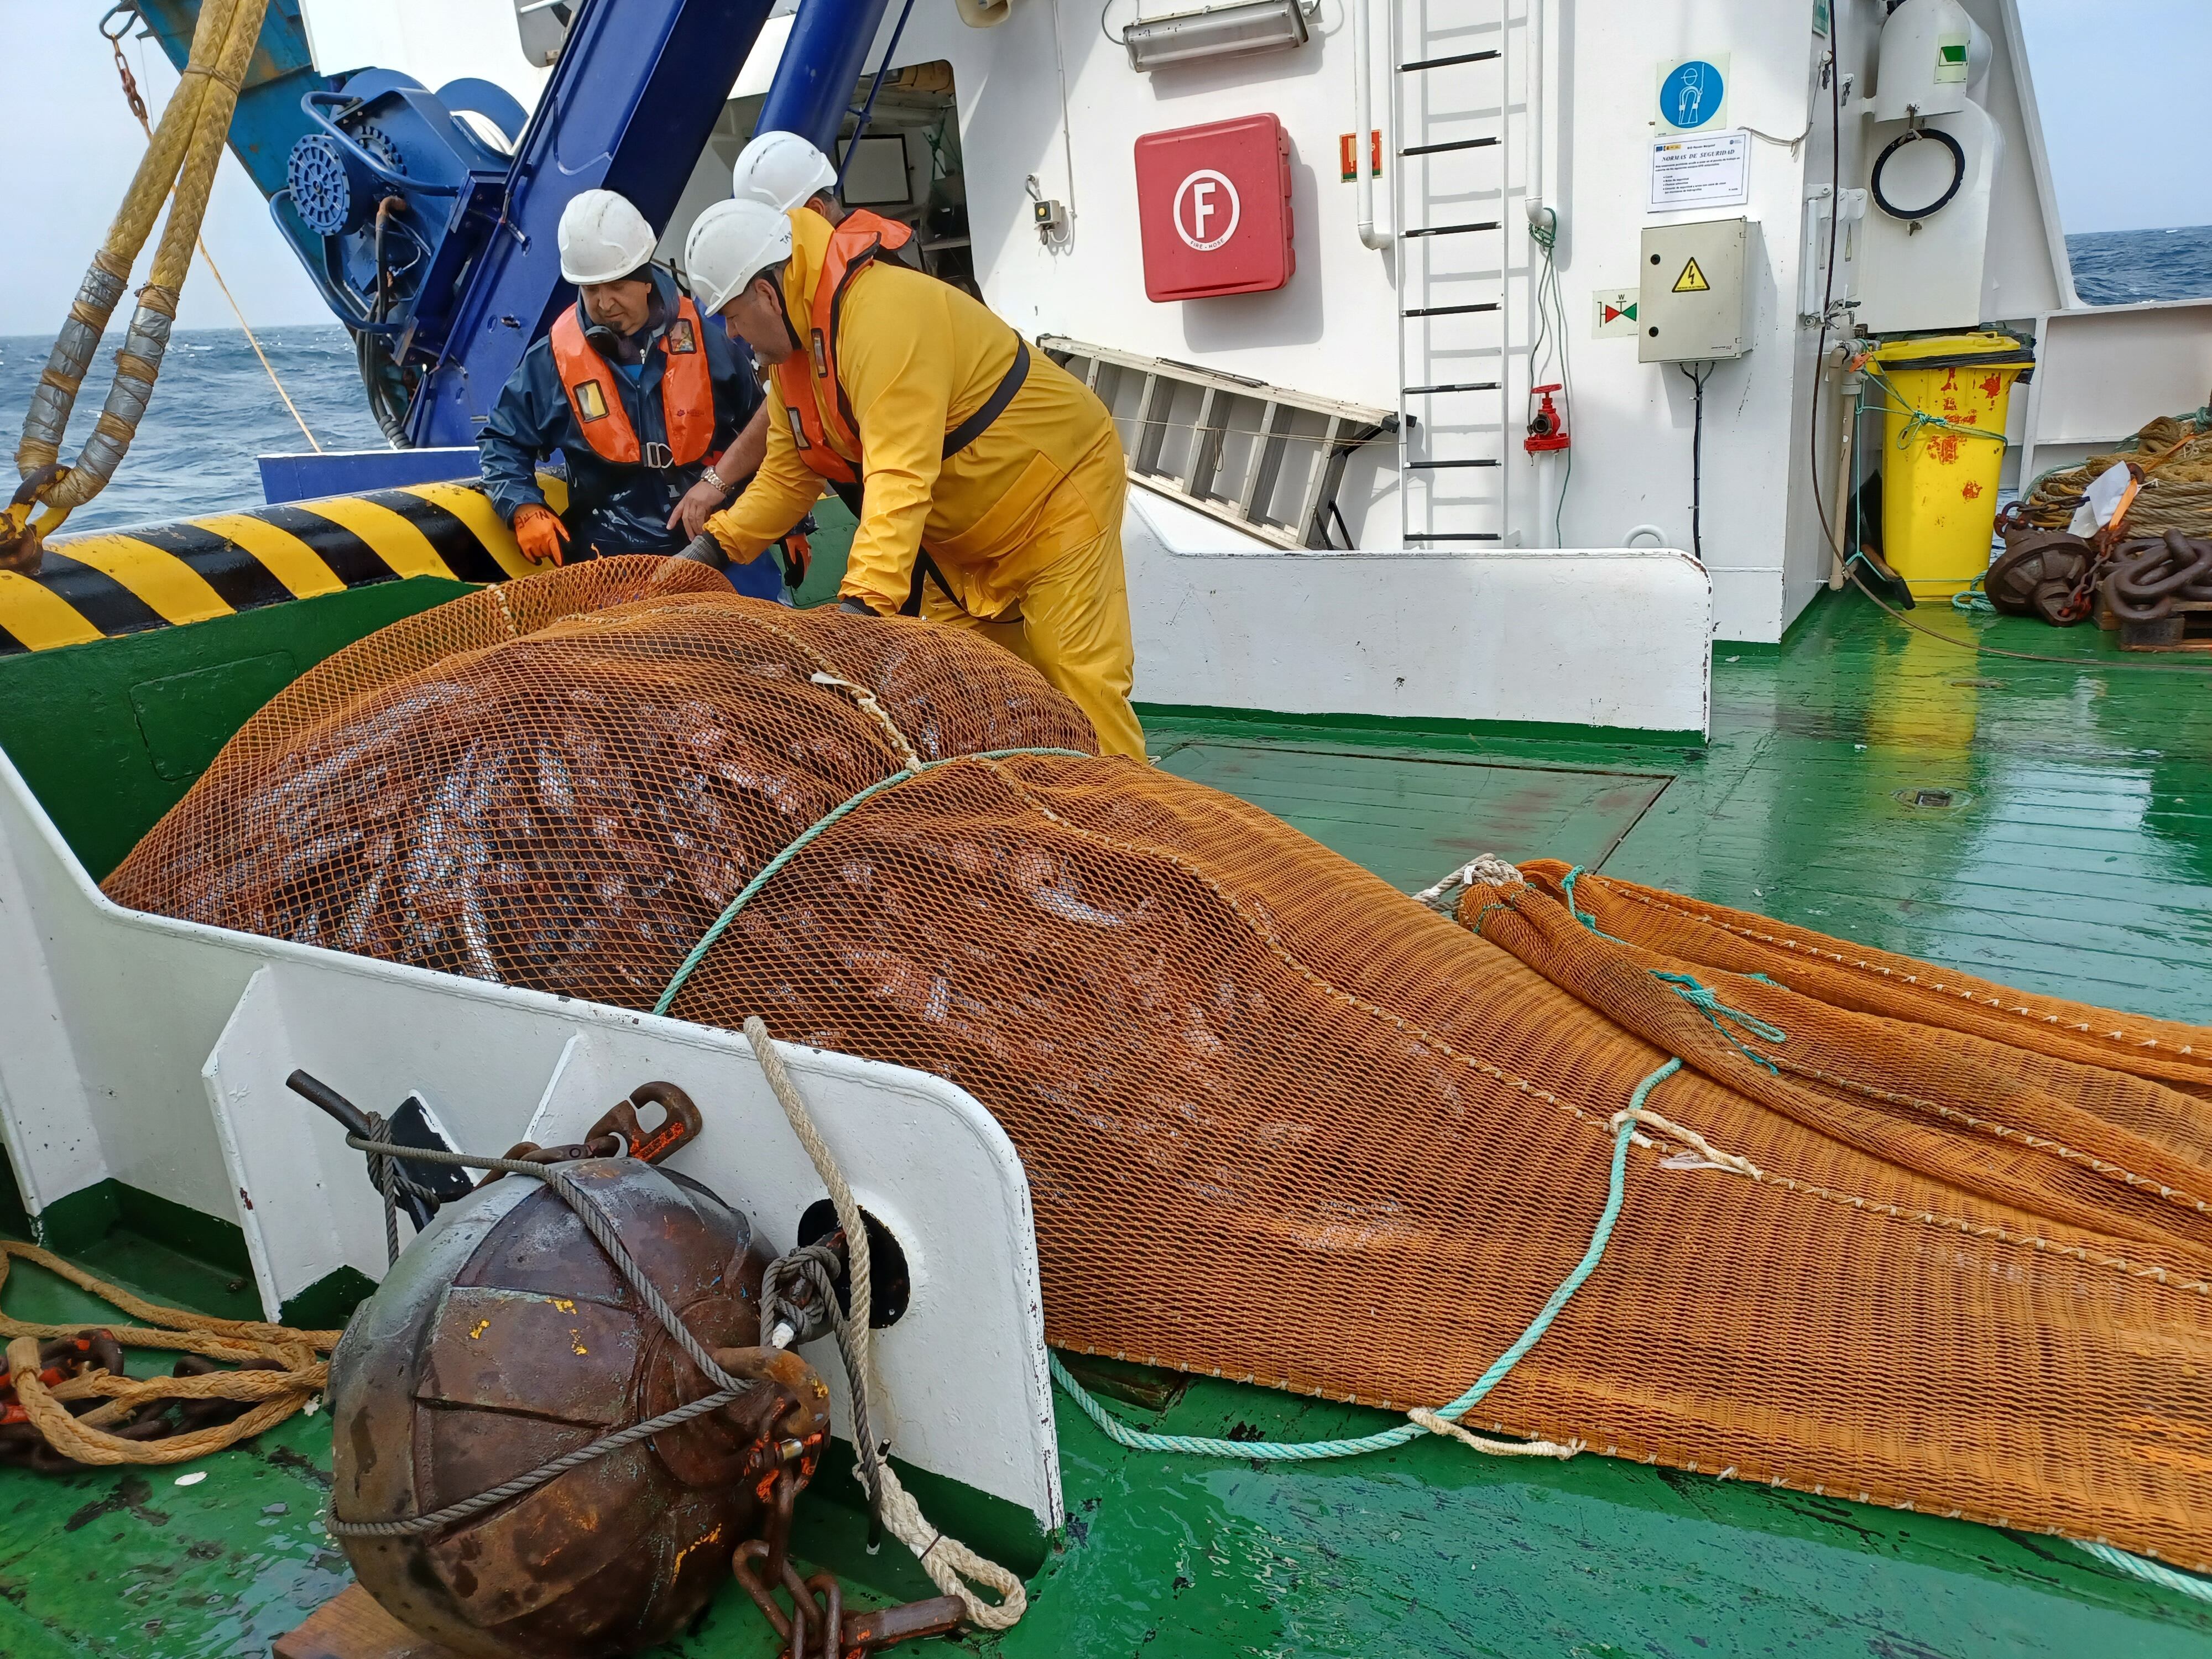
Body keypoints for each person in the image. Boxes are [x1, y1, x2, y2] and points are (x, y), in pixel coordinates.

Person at [678, 197, 1146, 760]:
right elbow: (789, 474)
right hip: (961, 546)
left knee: (1075, 680)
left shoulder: (881, 315)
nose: (730, 333)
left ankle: (1131, 833)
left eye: (730, 314)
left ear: (767, 294)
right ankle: (1040, 824)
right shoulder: (795, 360)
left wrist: (862, 608)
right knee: (975, 696)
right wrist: (713, 547)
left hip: (1055, 496)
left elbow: (899, 473)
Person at [477, 189, 787, 598]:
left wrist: (792, 526)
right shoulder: (552, 361)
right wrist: (522, 507)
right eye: (591, 290)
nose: (604, 303)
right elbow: (502, 440)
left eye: (616, 286)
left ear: (645, 279)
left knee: (765, 650)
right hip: (613, 564)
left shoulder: (708, 342)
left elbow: (766, 426)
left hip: (719, 546)